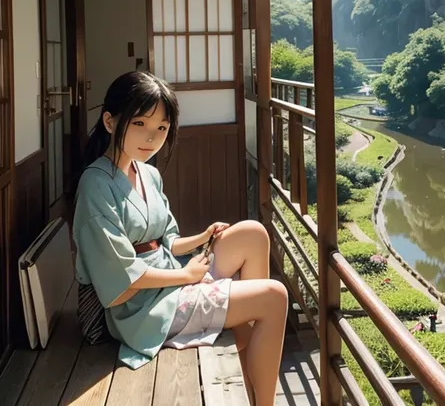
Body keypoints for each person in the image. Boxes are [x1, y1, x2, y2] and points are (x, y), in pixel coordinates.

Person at [73, 71, 287, 406]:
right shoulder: (95, 186)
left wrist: (202, 237)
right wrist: (187, 277)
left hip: (171, 276)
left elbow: (167, 241)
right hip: (143, 309)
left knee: (252, 234)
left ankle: (244, 332)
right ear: (111, 122)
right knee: (273, 297)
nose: (151, 137)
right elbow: (119, 284)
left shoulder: (148, 173)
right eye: (140, 123)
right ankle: (261, 391)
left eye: (161, 128)